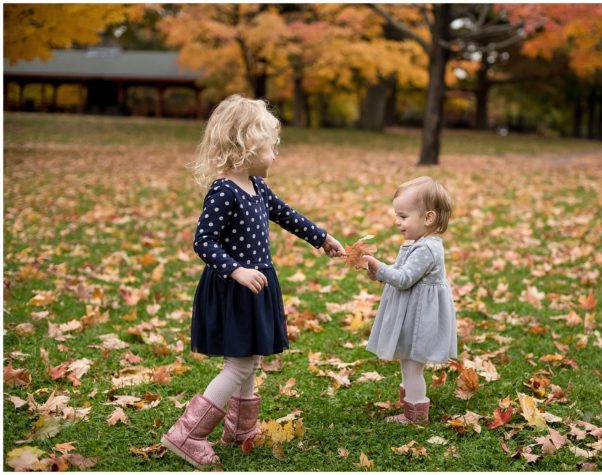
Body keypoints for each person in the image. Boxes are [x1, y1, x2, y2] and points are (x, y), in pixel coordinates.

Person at [161, 95, 344, 468]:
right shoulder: (224, 190)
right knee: (239, 365)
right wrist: (236, 270)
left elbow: (286, 215)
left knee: (250, 360)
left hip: (257, 285)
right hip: (234, 288)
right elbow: (204, 241)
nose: (275, 155)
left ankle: (240, 429)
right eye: (270, 147)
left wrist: (321, 238)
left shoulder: (257, 188)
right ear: (245, 146)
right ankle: (187, 433)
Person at [363, 176, 457, 424]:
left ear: (427, 218)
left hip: (420, 319)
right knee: (408, 361)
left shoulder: (426, 249)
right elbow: (399, 272)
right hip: (412, 312)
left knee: (412, 365)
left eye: (403, 216)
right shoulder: (417, 243)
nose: (397, 222)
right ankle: (409, 403)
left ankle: (415, 414)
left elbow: (403, 278)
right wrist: (379, 272)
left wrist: (379, 267)